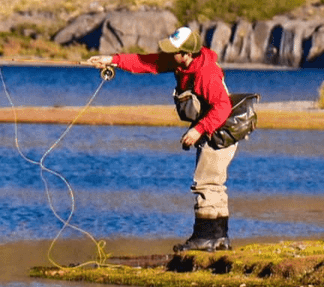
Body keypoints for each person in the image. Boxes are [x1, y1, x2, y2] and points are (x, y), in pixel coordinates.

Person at [89, 26, 246, 253]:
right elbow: (146, 63)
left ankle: (205, 238)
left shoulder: (206, 73)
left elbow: (223, 106)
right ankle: (219, 238)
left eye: (173, 50)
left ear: (187, 53)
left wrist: (198, 130)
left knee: (206, 183)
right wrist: (112, 60)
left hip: (220, 132)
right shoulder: (182, 63)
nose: (168, 54)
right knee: (214, 183)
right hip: (213, 129)